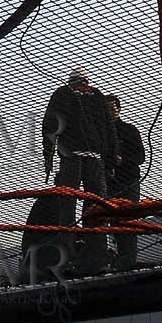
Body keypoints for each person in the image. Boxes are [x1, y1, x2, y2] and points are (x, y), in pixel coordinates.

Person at [41, 68, 118, 273]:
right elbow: (109, 129)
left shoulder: (62, 93)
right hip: (94, 158)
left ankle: (68, 258)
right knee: (96, 210)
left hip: (71, 157)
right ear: (86, 80)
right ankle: (98, 258)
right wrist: (110, 162)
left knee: (67, 207)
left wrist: (48, 156)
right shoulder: (97, 95)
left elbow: (49, 125)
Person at [106, 94, 145, 271]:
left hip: (128, 181)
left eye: (113, 109)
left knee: (127, 221)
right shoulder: (101, 134)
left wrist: (123, 161)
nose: (110, 112)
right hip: (110, 183)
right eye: (107, 110)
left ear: (119, 110)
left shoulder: (130, 130)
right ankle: (121, 262)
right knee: (115, 223)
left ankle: (128, 263)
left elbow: (140, 157)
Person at [19, 175, 75, 284]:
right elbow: (62, 227)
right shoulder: (54, 200)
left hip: (39, 249)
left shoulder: (53, 199)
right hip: (42, 251)